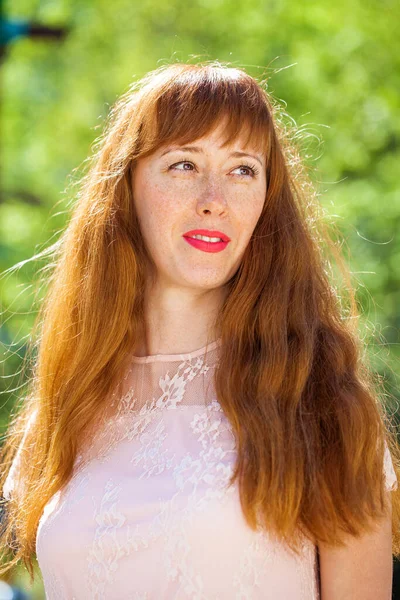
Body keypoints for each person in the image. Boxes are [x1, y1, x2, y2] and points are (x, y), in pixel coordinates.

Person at [0, 61, 399, 599]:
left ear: (266, 201)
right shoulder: (65, 401)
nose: (214, 198)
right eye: (184, 164)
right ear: (126, 189)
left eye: (242, 170)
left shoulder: (323, 402)